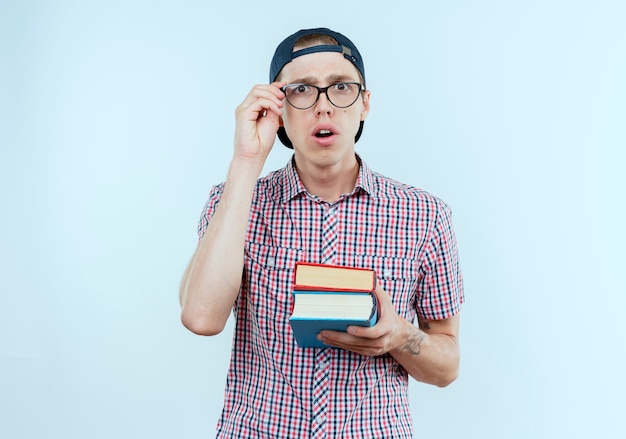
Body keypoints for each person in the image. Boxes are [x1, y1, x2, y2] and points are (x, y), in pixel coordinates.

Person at [179, 27, 464, 438]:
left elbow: (448, 365)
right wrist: (245, 160)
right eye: (302, 90)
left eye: (341, 87)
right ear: (278, 108)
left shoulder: (425, 214)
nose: (323, 107)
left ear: (364, 104)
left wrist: (400, 336)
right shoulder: (235, 200)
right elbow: (201, 317)